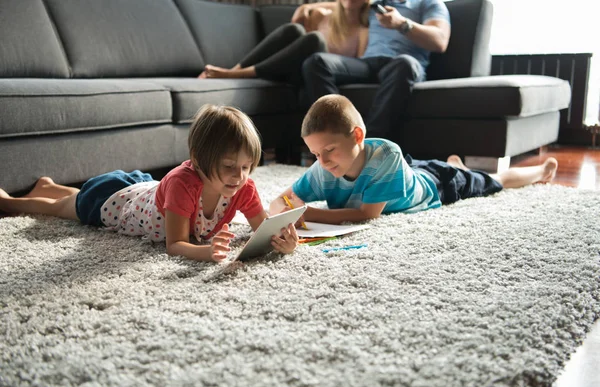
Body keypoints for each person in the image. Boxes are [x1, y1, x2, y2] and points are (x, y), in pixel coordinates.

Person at [0, 105, 299, 262]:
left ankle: (48, 184)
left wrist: (281, 241)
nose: (239, 176)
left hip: (149, 189)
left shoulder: (243, 186)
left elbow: (262, 226)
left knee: (74, 194)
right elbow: (176, 245)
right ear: (197, 159)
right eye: (229, 167)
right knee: (66, 207)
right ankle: (11, 201)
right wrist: (206, 253)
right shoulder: (185, 184)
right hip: (115, 200)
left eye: (247, 167)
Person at [269, 95, 559, 224]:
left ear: (357, 136)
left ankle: (540, 170)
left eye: (329, 149)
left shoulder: (386, 155)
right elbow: (283, 200)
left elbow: (367, 215)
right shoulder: (323, 168)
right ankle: (455, 164)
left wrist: (306, 213)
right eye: (316, 153)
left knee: (494, 181)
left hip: (437, 185)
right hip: (407, 174)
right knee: (427, 169)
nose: (323, 160)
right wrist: (280, 212)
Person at [301, 0, 451, 140]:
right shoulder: (375, 4)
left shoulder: (429, 3)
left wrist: (401, 24)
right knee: (316, 61)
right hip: (368, 64)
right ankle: (338, 138)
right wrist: (306, 7)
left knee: (405, 63)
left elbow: (440, 41)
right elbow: (343, 4)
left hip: (402, 64)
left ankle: (368, 144)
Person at [199, 0, 369, 82]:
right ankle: (235, 70)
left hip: (316, 73)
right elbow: (297, 34)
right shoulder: (324, 14)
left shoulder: (363, 29)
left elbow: (357, 66)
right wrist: (306, 8)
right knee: (294, 30)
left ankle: (234, 75)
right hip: (290, 65)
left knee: (315, 39)